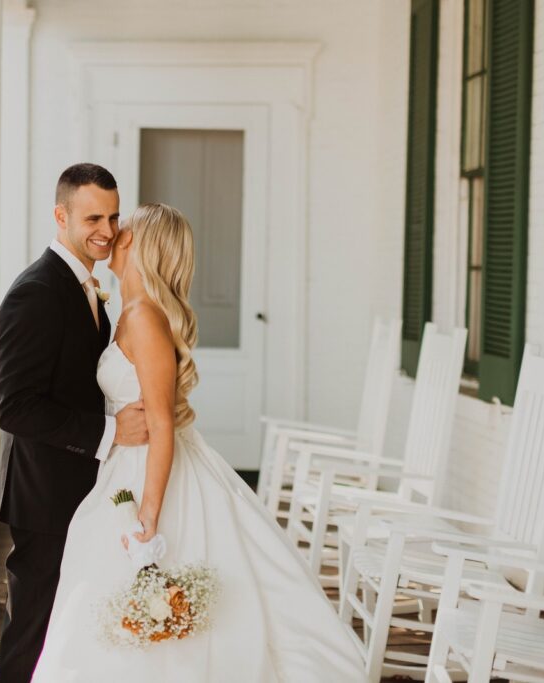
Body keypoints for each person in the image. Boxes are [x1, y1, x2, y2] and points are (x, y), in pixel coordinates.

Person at [32, 203, 366, 682]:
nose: (112, 233)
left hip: (150, 470)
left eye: (122, 228)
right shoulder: (128, 312)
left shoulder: (145, 317)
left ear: (136, 244)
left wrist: (149, 512)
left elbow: (163, 424)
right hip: (125, 463)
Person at [0, 163, 150, 683]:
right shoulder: (36, 292)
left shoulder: (88, 287)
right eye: (92, 218)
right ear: (61, 216)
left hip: (84, 486)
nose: (106, 230)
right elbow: (14, 406)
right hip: (46, 493)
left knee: (66, 627)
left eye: (112, 216)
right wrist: (111, 433)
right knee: (34, 627)